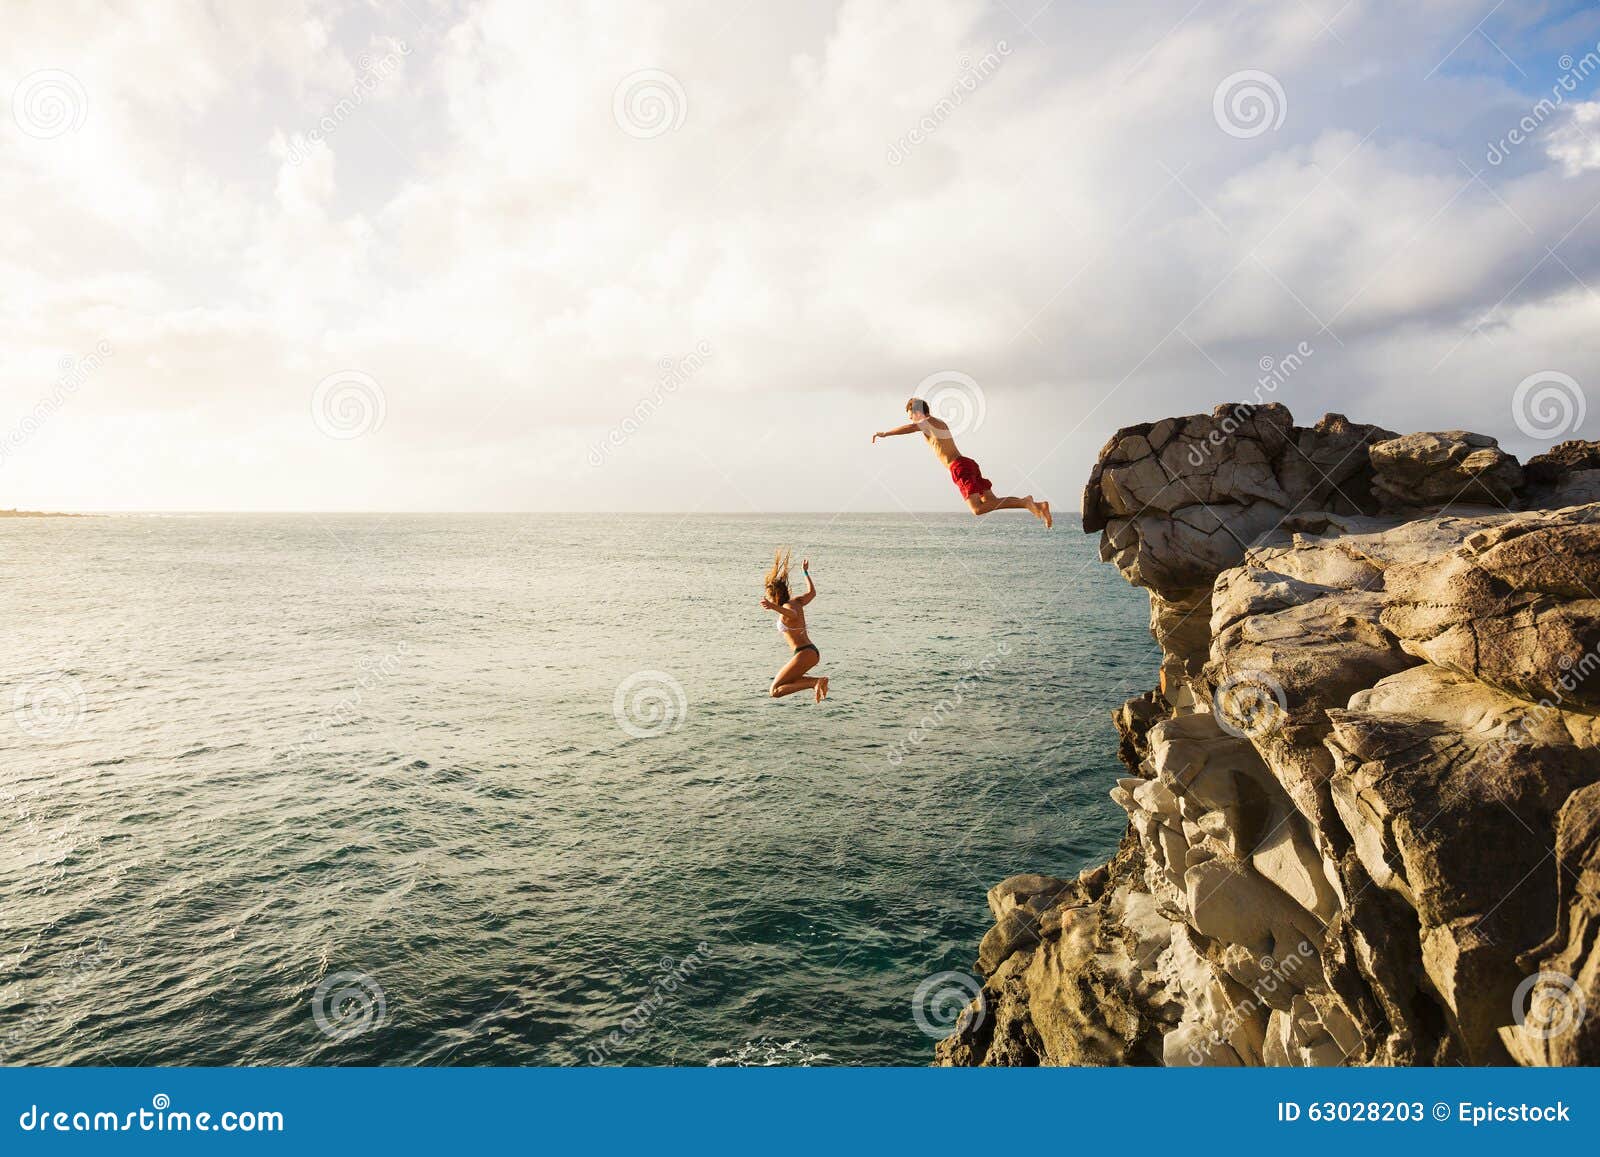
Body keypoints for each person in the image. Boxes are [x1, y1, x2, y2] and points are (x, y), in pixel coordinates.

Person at [872, 398, 1052, 527]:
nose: (911, 419)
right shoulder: (934, 423)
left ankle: (1025, 502)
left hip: (959, 467)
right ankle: (1034, 504)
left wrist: (885, 433)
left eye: (911, 415)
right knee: (992, 501)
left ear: (917, 412)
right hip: (967, 463)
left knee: (977, 509)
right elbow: (915, 426)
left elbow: (911, 427)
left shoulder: (927, 422)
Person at [759, 548, 829, 702]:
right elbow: (812, 593)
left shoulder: (787, 607)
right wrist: (805, 573)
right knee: (789, 682)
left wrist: (773, 607)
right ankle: (816, 682)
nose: (769, 600)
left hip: (804, 653)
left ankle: (816, 682)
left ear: (776, 595)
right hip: (810, 652)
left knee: (775, 690)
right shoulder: (797, 601)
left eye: (770, 598)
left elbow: (793, 615)